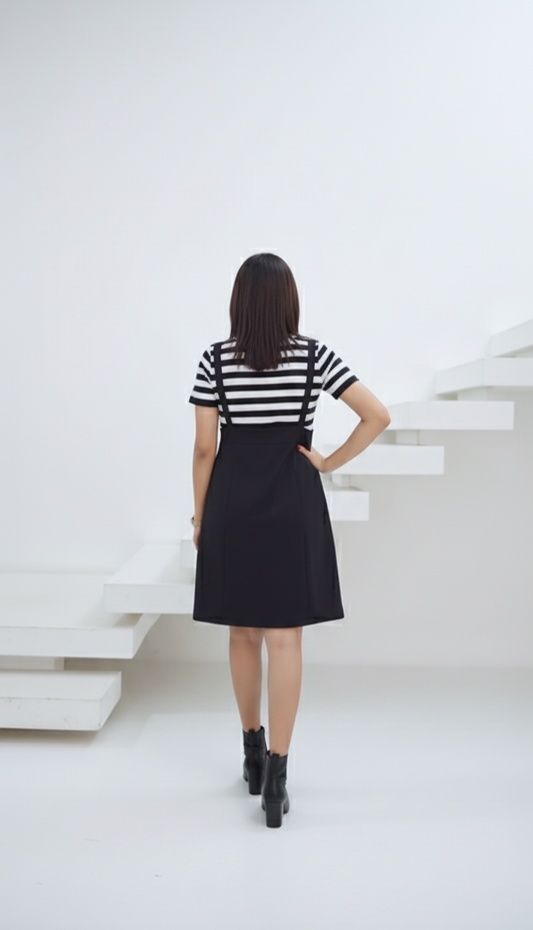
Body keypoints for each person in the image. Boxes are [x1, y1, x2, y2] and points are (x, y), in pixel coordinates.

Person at [188, 253, 390, 827]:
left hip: (233, 502)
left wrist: (201, 517)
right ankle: (277, 776)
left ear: (239, 301)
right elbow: (376, 415)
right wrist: (326, 463)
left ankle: (252, 756)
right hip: (292, 502)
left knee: (242, 632)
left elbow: (204, 448)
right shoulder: (312, 356)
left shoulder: (214, 360)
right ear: (288, 301)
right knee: (285, 640)